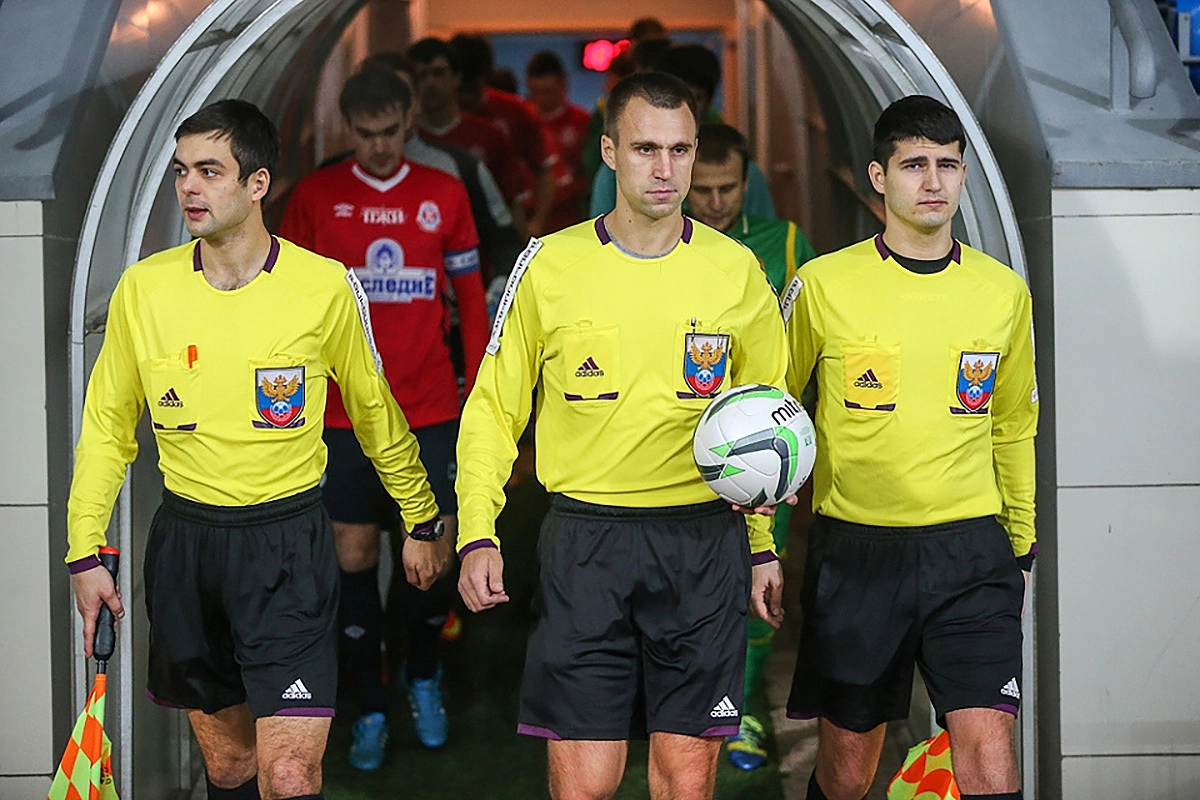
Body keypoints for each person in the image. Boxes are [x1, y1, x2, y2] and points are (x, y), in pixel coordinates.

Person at [66, 99, 443, 800]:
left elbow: (374, 413)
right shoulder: (144, 290)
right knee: (231, 769)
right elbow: (107, 430)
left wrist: (419, 516)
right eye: (182, 171)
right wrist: (83, 551)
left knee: (291, 775)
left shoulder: (322, 286)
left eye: (210, 171)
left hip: (288, 547)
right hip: (188, 547)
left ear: (258, 183)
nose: (189, 187)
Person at [455, 72, 790, 800]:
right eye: (645, 149)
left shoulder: (736, 272)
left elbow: (772, 421)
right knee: (586, 784)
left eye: (679, 150)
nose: (665, 169)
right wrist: (478, 530)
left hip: (702, 545)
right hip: (587, 546)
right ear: (609, 152)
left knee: (685, 784)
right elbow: (492, 411)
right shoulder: (549, 265)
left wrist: (762, 546)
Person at [783, 95, 1037, 800]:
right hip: (857, 552)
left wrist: (1019, 545)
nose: (933, 181)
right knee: (847, 768)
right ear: (879, 176)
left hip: (971, 552)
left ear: (963, 176)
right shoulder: (823, 285)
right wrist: (758, 542)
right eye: (914, 164)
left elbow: (1013, 425)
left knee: (989, 747)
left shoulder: (1002, 293)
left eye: (947, 165)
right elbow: (770, 412)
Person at [279, 67, 487, 767]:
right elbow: (287, 305)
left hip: (428, 410)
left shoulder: (443, 192)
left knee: (432, 558)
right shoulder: (314, 197)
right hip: (342, 417)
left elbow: (470, 298)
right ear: (348, 128)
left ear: (408, 124)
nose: (377, 146)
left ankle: (423, 676)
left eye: (390, 132)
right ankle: (369, 703)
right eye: (364, 134)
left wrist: (480, 393)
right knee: (355, 560)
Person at [686, 120, 817, 771]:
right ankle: (686, 703)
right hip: (681, 446)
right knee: (686, 580)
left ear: (748, 183)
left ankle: (740, 710)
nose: (715, 202)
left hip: (767, 448)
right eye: (703, 189)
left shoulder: (785, 243)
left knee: (759, 575)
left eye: (728, 188)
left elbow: (815, 341)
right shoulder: (666, 251)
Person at [588, 45, 777, 220]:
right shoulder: (617, 168)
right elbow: (600, 231)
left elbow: (764, 232)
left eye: (696, 98)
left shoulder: (738, 165)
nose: (665, 171)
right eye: (646, 150)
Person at [407, 37, 533, 232]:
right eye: (421, 75)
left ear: (456, 78)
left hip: (482, 244)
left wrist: (517, 247)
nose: (430, 83)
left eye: (438, 73)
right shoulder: (404, 140)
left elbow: (514, 202)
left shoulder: (490, 135)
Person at [451, 33, 560, 236]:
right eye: (460, 90)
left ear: (485, 76)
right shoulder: (431, 121)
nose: (466, 98)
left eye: (472, 89)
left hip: (505, 225)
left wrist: (537, 223)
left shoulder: (514, 113)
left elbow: (544, 170)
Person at [526, 50, 592, 232]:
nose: (542, 98)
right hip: (531, 221)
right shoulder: (523, 122)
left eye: (548, 91)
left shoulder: (582, 122)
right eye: (535, 92)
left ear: (564, 84)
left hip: (572, 220)